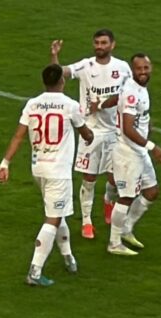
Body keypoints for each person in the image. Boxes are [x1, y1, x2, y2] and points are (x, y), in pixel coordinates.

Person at [0, 64, 94, 287]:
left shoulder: (32, 104)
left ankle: (68, 256)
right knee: (53, 219)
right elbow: (86, 133)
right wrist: (90, 136)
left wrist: (5, 163)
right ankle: (35, 271)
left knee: (56, 212)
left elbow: (18, 136)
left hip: (38, 168)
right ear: (62, 81)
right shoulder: (70, 106)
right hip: (58, 171)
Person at [50, 29, 132, 239]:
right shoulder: (86, 66)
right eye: (96, 43)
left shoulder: (122, 68)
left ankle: (108, 200)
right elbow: (60, 72)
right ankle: (87, 221)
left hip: (116, 131)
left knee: (115, 178)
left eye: (104, 43)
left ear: (112, 45)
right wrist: (54, 55)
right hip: (91, 130)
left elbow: (130, 94)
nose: (99, 46)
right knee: (89, 177)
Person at [104, 53, 161, 256]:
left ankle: (126, 229)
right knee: (126, 197)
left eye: (145, 68)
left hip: (138, 151)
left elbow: (137, 118)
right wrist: (152, 146)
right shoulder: (132, 92)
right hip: (128, 152)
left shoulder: (139, 88)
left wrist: (148, 126)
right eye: (139, 69)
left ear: (151, 68)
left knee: (152, 191)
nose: (143, 72)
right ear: (133, 70)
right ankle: (114, 243)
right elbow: (128, 128)